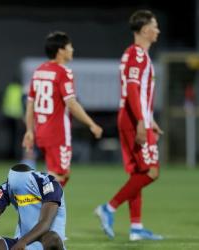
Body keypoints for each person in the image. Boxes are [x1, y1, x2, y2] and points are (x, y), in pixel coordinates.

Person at [95, 10, 164, 241]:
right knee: (152, 172)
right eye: (155, 26)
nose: (158, 30)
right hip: (133, 120)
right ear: (145, 29)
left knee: (139, 173)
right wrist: (142, 122)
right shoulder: (137, 54)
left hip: (134, 117)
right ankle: (109, 207)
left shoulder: (136, 55)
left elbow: (139, 93)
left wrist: (149, 118)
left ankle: (136, 228)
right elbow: (132, 90)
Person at [22, 31, 103, 187]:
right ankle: (36, 206)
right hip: (57, 132)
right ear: (61, 50)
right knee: (59, 176)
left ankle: (43, 207)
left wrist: (29, 130)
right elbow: (71, 104)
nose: (72, 49)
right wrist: (91, 124)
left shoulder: (39, 71)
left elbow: (30, 103)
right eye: (69, 46)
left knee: (59, 174)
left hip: (42, 131)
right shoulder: (64, 72)